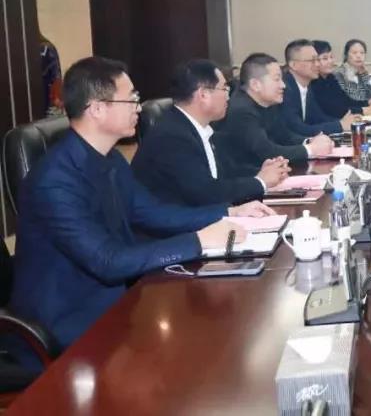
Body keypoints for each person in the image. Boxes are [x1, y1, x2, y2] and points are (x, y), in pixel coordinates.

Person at [8, 57, 274, 362]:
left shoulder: (109, 158)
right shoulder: (54, 181)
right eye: (131, 98)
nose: (138, 107)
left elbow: (152, 212)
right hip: (65, 322)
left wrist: (227, 212)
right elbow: (108, 261)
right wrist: (199, 241)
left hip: (116, 303)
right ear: (97, 109)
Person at [132, 59, 291, 206]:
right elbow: (207, 193)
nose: (228, 96)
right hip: (182, 223)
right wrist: (260, 181)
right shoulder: (172, 137)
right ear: (203, 95)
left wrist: (263, 172)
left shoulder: (200, 128)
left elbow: (225, 172)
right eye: (224, 89)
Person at [213, 53, 334, 171]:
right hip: (245, 176)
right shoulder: (241, 111)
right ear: (255, 84)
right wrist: (311, 149)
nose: (283, 85)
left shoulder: (268, 103)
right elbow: (267, 152)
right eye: (277, 79)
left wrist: (309, 141)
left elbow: (284, 136)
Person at [282, 39, 356, 136]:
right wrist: (340, 125)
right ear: (293, 65)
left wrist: (343, 122)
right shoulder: (285, 89)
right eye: (312, 60)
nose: (317, 64)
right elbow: (298, 129)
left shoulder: (306, 86)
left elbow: (318, 118)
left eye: (317, 59)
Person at [333, 39, 371, 113]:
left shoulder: (361, 73)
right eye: (354, 53)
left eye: (362, 53)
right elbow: (348, 102)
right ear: (346, 55)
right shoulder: (338, 74)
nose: (359, 56)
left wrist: (365, 76)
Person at [310, 40, 366, 118]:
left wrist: (369, 103)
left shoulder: (331, 77)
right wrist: (363, 110)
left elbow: (346, 100)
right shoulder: (312, 82)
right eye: (325, 58)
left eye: (331, 57)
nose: (330, 61)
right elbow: (333, 109)